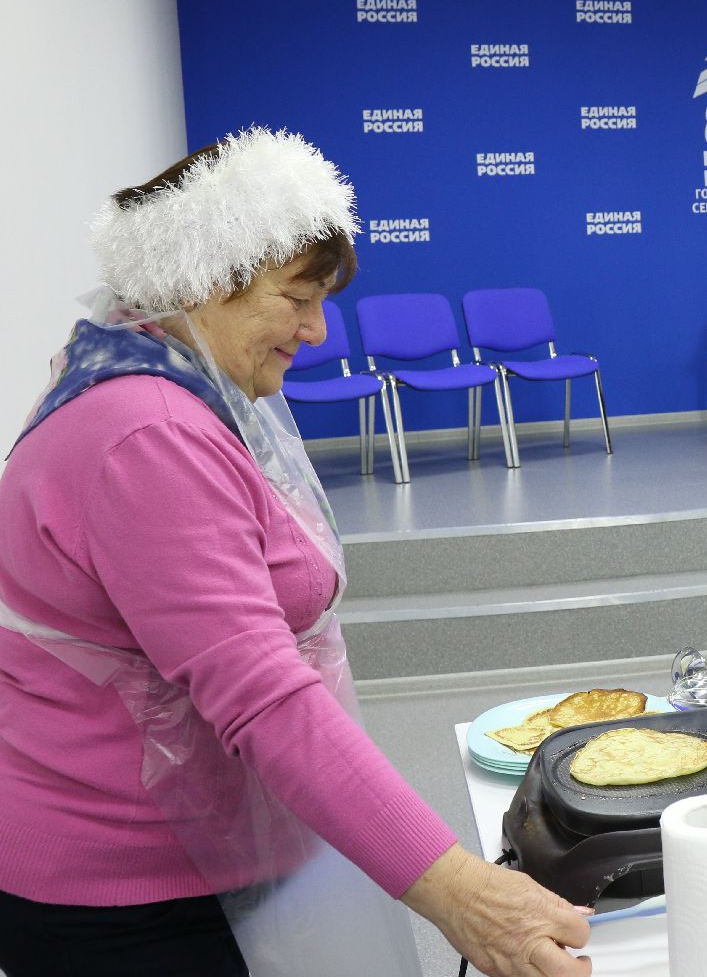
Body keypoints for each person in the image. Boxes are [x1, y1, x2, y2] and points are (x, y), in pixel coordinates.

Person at [0, 129, 590, 977]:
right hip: (124, 892)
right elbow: (265, 697)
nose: (317, 330)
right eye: (297, 298)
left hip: (195, 853)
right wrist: (462, 893)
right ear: (202, 281)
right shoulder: (146, 435)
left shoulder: (165, 384)